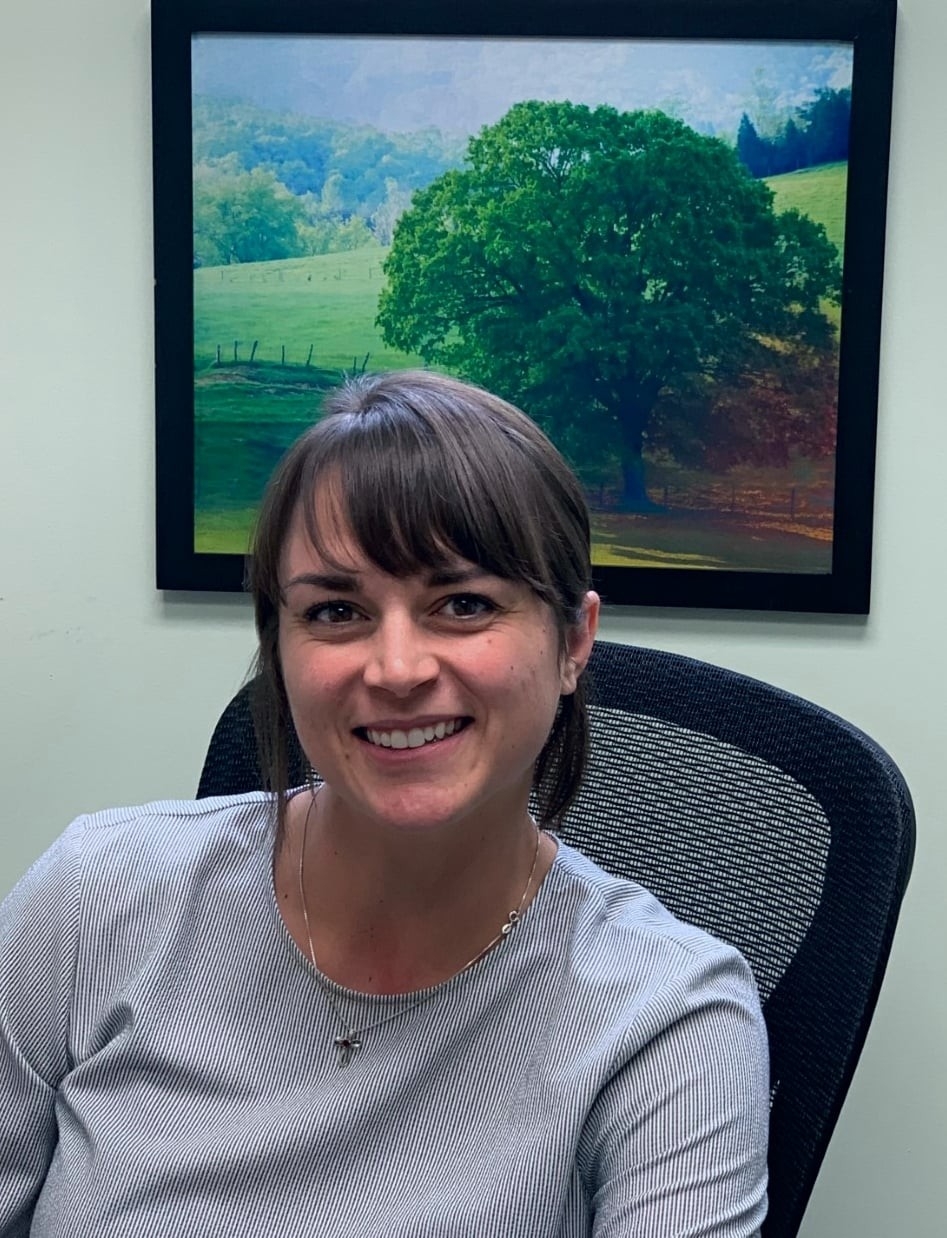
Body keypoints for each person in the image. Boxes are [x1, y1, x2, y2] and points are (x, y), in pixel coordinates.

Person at [0, 371, 768, 1235]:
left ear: (573, 641)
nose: (395, 669)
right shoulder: (95, 897)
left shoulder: (667, 1020)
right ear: (279, 647)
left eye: (464, 603)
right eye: (334, 611)